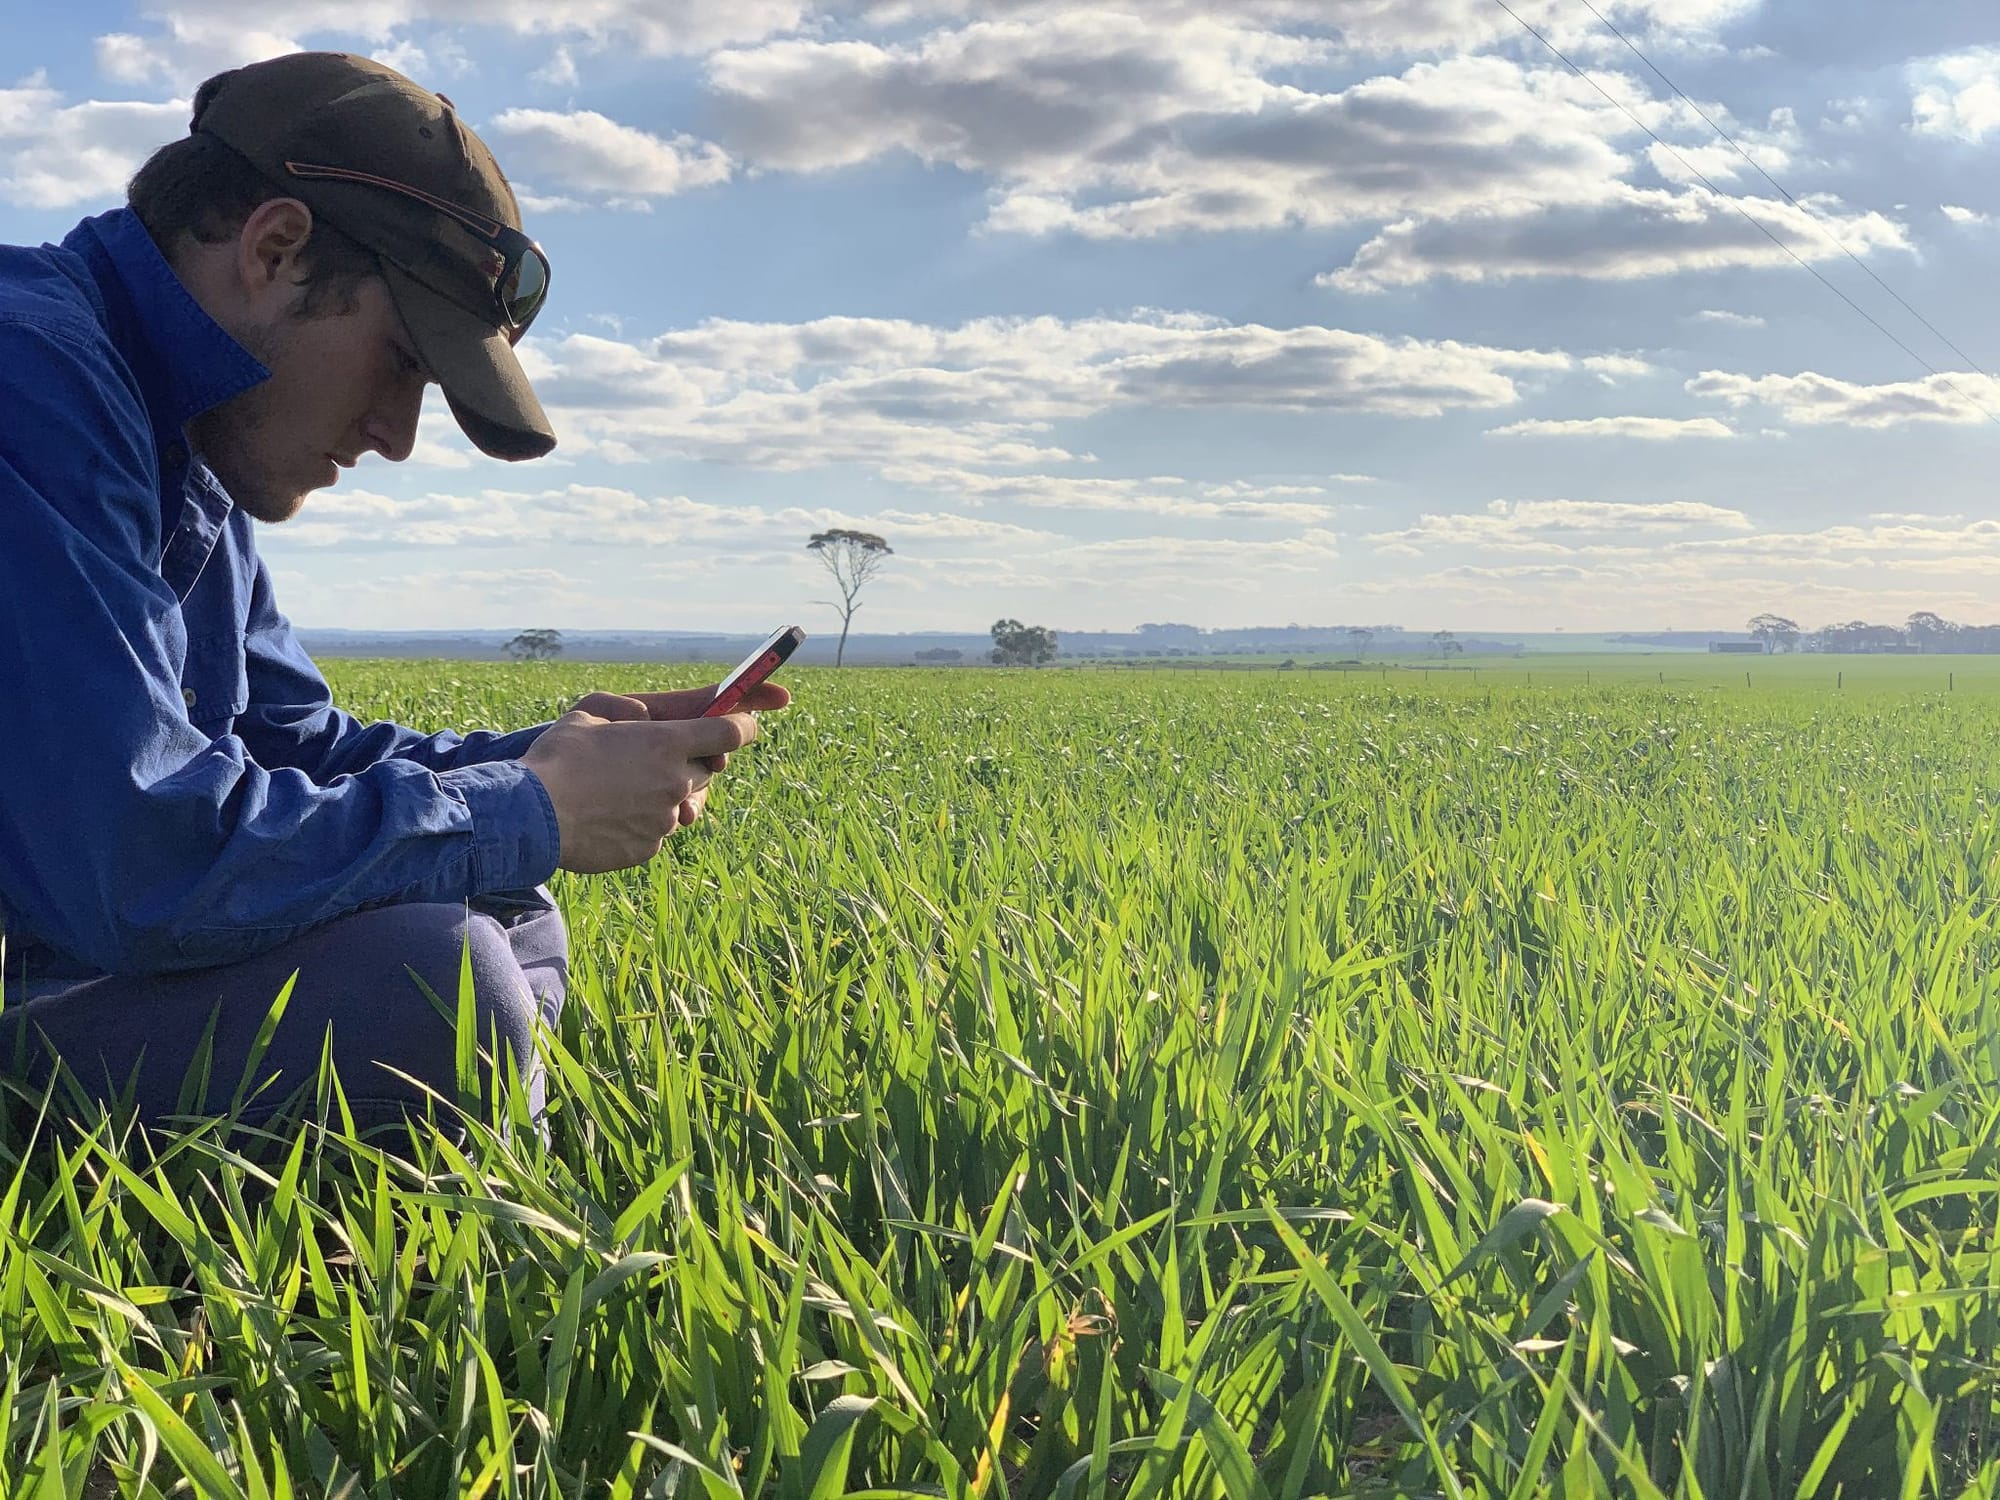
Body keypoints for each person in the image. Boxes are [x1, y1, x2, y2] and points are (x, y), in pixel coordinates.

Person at [0, 51, 787, 1147]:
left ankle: (438, 1211)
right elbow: (140, 860)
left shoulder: (182, 433)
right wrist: (534, 807)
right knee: (433, 988)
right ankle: (433, 1244)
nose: (396, 438)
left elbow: (293, 747)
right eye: (402, 365)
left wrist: (543, 761)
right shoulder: (27, 374)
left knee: (509, 910)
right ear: (275, 251)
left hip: (59, 946)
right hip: (57, 942)